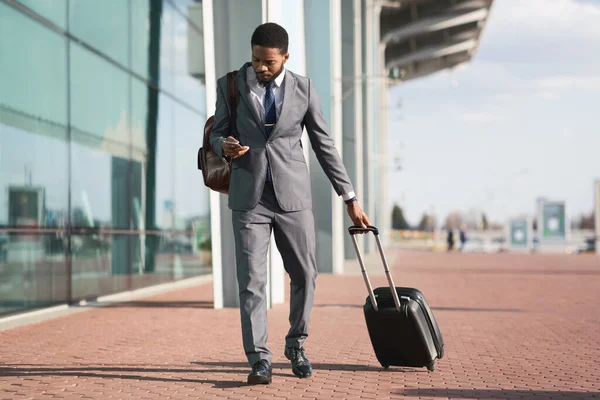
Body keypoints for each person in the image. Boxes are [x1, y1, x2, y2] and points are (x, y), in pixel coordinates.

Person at [209, 23, 371, 385]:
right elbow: (218, 131)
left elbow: (324, 145)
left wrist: (350, 197)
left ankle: (296, 344)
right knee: (251, 281)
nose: (260, 68)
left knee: (305, 275)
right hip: (249, 198)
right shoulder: (230, 84)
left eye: (268, 62)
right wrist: (225, 146)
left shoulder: (304, 88)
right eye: (255, 60)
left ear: (285, 57)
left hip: (293, 198)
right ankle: (258, 359)